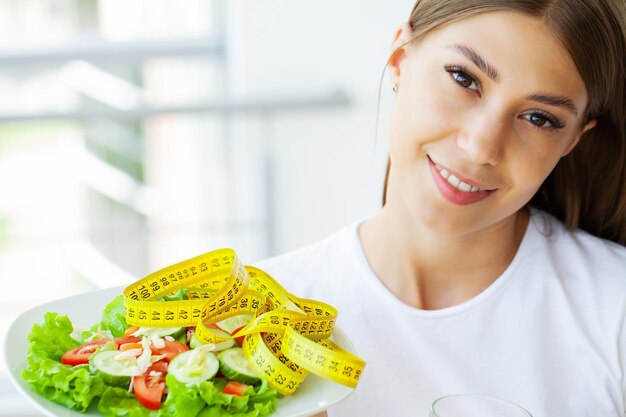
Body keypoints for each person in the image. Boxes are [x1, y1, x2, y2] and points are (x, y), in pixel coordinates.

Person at [253, 1, 626, 416]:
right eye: (465, 79)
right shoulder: (250, 320)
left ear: (573, 139)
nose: (481, 146)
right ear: (400, 59)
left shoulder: (615, 312)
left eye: (539, 118)